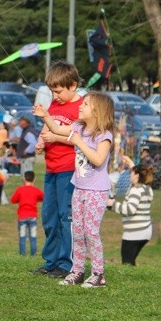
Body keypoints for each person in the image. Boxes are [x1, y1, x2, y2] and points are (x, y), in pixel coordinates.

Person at [34, 90, 114, 288]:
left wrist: (78, 142)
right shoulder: (78, 127)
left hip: (96, 192)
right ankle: (77, 270)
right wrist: (45, 116)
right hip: (78, 188)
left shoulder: (104, 136)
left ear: (97, 112)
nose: (80, 106)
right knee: (77, 231)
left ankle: (98, 274)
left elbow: (97, 160)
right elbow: (56, 128)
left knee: (91, 232)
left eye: (85, 104)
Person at [30, 60, 83, 280]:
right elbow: (48, 124)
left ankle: (67, 263)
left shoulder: (81, 108)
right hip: (51, 168)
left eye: (59, 91)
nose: (56, 96)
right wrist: (42, 141)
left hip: (69, 169)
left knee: (65, 216)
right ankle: (50, 262)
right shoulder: (56, 104)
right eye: (52, 92)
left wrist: (56, 137)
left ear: (72, 85)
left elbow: (82, 139)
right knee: (49, 216)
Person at [107, 155, 155, 266]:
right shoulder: (147, 189)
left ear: (137, 176)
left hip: (134, 233)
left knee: (127, 262)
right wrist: (131, 164)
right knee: (131, 260)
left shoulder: (135, 191)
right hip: (145, 232)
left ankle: (131, 280)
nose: (130, 174)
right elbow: (138, 173)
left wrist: (112, 204)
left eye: (132, 173)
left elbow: (129, 210)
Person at [10, 170, 45, 256]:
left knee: (22, 236)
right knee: (33, 237)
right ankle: (33, 254)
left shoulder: (20, 190)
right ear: (34, 179)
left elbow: (13, 200)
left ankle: (22, 254)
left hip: (22, 216)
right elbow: (43, 197)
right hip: (33, 216)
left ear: (24, 178)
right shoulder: (36, 190)